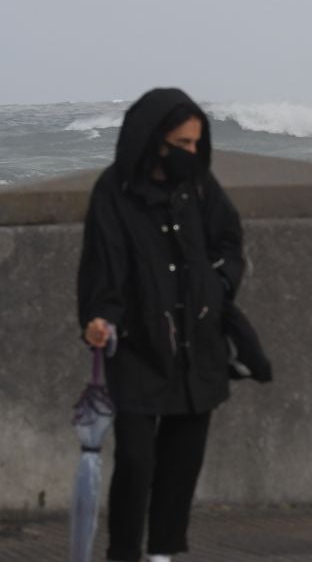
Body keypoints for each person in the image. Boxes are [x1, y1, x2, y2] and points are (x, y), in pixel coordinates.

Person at [78, 87, 246, 562]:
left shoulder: (199, 187)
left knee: (181, 462)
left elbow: (230, 241)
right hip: (136, 346)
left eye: (196, 143)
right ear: (154, 140)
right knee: (135, 458)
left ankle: (163, 554)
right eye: (182, 143)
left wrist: (218, 286)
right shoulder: (114, 192)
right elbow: (102, 268)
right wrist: (100, 319)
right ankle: (125, 551)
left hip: (198, 347)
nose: (192, 153)